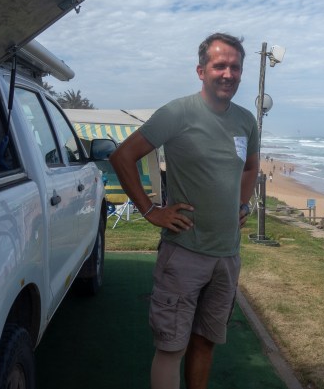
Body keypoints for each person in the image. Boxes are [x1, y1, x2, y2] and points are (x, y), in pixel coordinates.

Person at [109, 33, 259, 389]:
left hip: (227, 255)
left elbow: (251, 167)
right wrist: (150, 210)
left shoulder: (245, 121)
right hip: (184, 252)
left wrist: (242, 204)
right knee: (171, 348)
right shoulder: (177, 113)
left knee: (205, 342)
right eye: (219, 66)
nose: (228, 74)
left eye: (235, 67)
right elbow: (122, 156)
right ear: (201, 71)